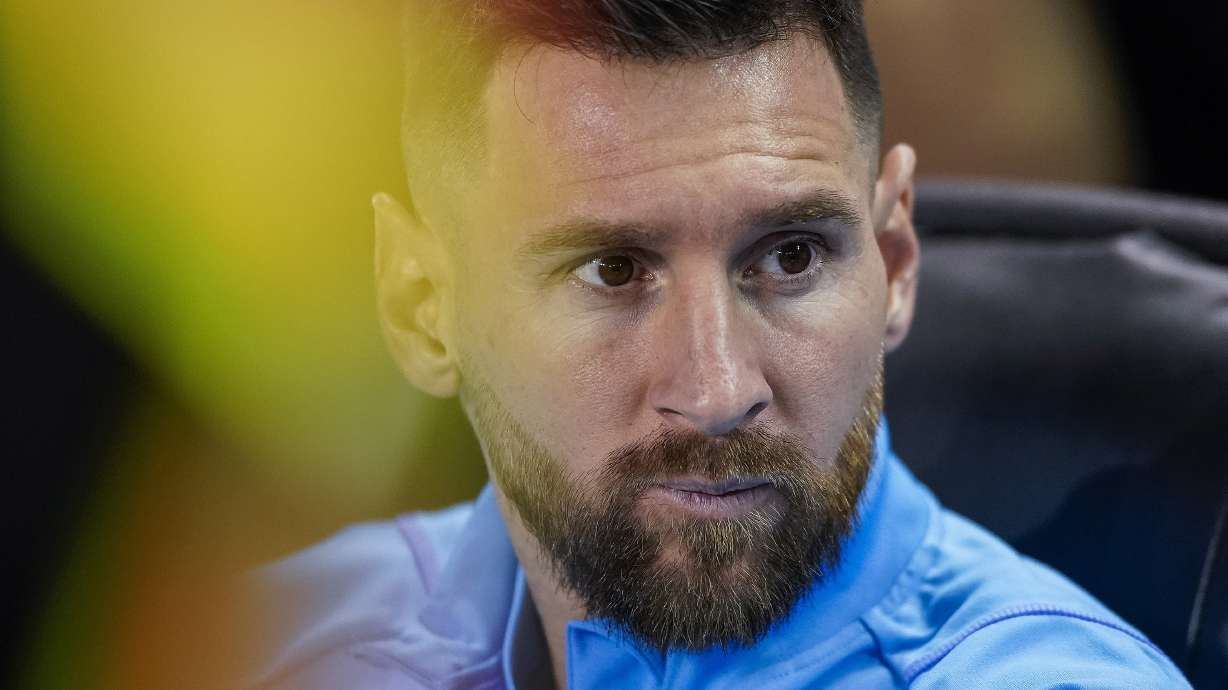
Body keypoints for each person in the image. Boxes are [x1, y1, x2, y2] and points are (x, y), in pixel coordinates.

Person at [244, 2, 1191, 688]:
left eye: (789, 255)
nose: (717, 387)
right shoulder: (263, 639)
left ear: (895, 259)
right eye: (612, 271)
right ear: (420, 306)